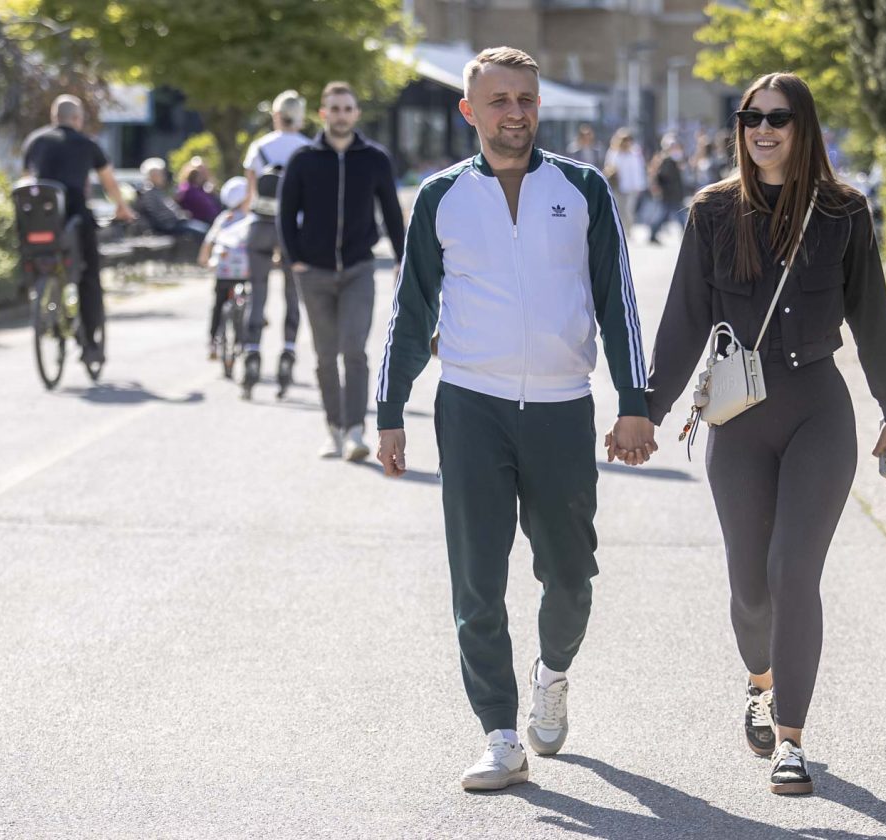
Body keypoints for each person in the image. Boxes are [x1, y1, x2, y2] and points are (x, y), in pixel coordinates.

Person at [374, 47, 656, 792]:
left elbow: (617, 302)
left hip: (563, 409)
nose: (515, 113)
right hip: (470, 406)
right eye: (498, 100)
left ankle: (552, 672)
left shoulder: (584, 189)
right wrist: (389, 409)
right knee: (477, 581)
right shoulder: (441, 197)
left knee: (570, 576)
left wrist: (634, 403)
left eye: (525, 99)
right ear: (470, 111)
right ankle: (499, 731)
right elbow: (411, 309)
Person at [642, 72, 886, 797]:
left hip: (819, 411)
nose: (763, 128)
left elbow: (873, 316)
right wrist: (646, 408)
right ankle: (758, 682)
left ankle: (791, 737)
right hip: (741, 420)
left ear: (804, 125)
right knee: (751, 585)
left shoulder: (843, 212)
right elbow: (684, 322)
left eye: (778, 117)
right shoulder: (712, 213)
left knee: (795, 573)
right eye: (751, 117)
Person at [277, 81, 406, 461]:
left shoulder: (375, 158)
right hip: (313, 271)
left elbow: (392, 213)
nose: (341, 115)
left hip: (358, 269)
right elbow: (286, 213)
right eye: (334, 108)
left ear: (356, 114)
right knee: (324, 354)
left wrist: (403, 258)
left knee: (354, 350)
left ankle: (355, 431)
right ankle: (332, 428)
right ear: (322, 114)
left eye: (347, 108)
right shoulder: (303, 159)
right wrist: (294, 258)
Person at [22, 94, 135, 365]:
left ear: (53, 117)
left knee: (37, 256)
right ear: (77, 119)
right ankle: (91, 345)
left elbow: (26, 180)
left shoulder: (35, 141)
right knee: (88, 277)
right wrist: (122, 207)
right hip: (75, 219)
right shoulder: (87, 144)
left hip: (39, 221)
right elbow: (108, 181)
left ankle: (38, 292)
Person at [240, 90, 311, 398]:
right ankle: (288, 352)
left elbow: (249, 194)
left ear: (275, 115)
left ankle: (253, 354)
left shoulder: (260, 147)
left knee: (258, 292)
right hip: (293, 231)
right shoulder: (308, 148)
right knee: (291, 295)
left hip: (260, 226)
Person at [198, 176, 253, 358]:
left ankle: (213, 341)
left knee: (218, 303)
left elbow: (209, 241)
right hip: (246, 270)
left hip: (223, 269)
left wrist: (204, 259)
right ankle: (245, 340)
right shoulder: (250, 218)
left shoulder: (224, 218)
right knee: (250, 299)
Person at [136, 158, 209, 240]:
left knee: (205, 229)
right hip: (169, 227)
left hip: (176, 223)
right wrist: (177, 218)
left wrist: (180, 215)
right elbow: (159, 217)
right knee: (205, 233)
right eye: (160, 174)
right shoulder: (148, 192)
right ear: (153, 176)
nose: (163, 177)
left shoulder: (156, 190)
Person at [603, 128, 646, 235]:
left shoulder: (635, 153)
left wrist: (640, 185)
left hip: (631, 187)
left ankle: (628, 230)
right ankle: (619, 230)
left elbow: (639, 170)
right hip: (617, 185)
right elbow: (608, 166)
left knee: (628, 209)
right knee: (618, 209)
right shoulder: (613, 153)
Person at [646, 133, 687, 245]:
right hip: (669, 193)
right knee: (672, 215)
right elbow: (664, 176)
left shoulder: (673, 160)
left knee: (671, 215)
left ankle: (653, 235)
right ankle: (653, 234)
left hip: (673, 193)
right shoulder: (667, 160)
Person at [176, 156, 221, 225]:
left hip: (213, 218)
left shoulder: (205, 187)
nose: (201, 173)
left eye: (203, 170)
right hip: (199, 221)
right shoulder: (186, 188)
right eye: (198, 170)